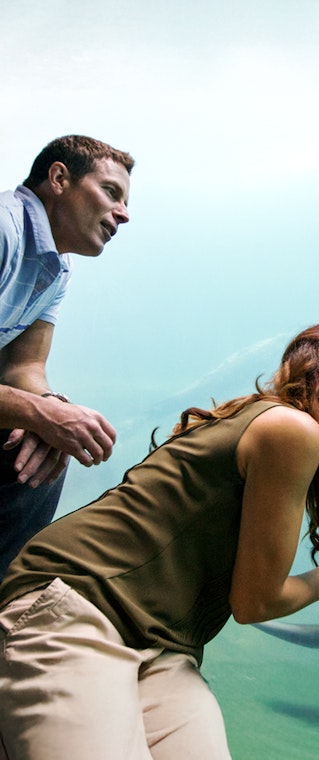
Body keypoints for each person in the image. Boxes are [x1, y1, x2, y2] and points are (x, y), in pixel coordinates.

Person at [0, 321, 319, 758]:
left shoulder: (279, 430)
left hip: (166, 650)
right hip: (80, 608)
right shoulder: (293, 430)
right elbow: (255, 604)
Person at [0, 135, 134, 572]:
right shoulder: (4, 229)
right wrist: (39, 415)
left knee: (38, 454)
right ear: (59, 178)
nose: (124, 214)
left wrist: (49, 409)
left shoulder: (58, 267)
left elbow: (24, 365)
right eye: (111, 192)